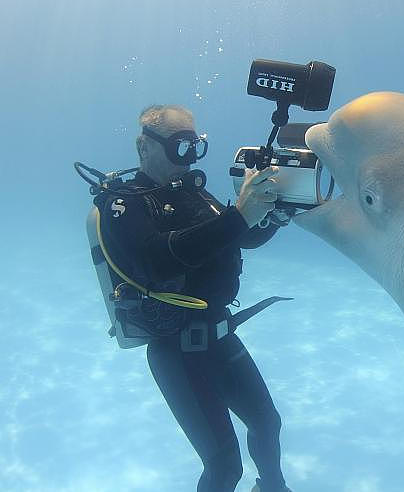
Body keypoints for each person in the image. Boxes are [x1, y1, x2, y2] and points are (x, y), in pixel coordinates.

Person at [100, 105, 293, 492]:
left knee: (267, 422)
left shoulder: (192, 192)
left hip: (220, 336)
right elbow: (157, 260)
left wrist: (273, 213)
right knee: (224, 466)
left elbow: (240, 235)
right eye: (179, 147)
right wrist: (240, 215)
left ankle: (273, 488)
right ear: (144, 148)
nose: (189, 158)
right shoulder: (123, 204)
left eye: (195, 146)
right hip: (176, 352)